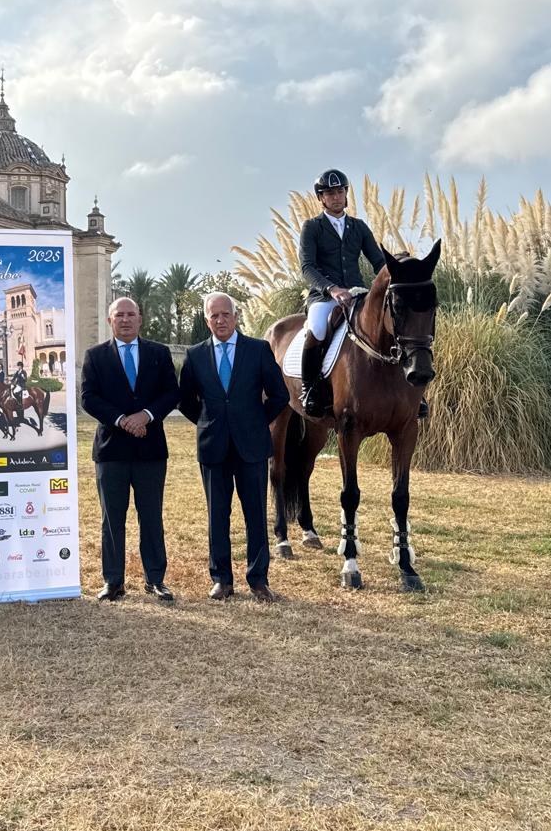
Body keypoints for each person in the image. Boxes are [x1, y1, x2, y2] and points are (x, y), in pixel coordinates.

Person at [178, 292, 288, 602]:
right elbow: (186, 400)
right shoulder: (195, 354)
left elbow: (279, 395)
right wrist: (206, 423)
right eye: (214, 316)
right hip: (213, 447)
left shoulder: (258, 350)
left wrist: (255, 422)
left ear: (236, 316)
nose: (221, 320)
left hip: (251, 447)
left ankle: (258, 580)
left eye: (226, 314)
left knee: (255, 515)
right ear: (206, 320)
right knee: (217, 515)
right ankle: (222, 580)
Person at [79, 296, 181, 602]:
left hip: (150, 450)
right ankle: (113, 580)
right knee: (112, 518)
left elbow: (171, 393)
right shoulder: (95, 356)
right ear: (110, 321)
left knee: (151, 516)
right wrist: (122, 420)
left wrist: (146, 416)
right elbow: (88, 397)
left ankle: (155, 579)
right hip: (111, 451)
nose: (125, 320)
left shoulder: (159, 353)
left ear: (140, 319)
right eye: (119, 315)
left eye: (130, 315)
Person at [296, 168, 391, 419]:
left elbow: (378, 261)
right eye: (330, 193)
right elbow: (307, 266)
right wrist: (331, 288)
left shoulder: (358, 227)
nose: (336, 197)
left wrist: (394, 277)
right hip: (324, 296)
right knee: (317, 328)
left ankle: (410, 391)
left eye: (340, 191)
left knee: (392, 324)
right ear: (321, 198)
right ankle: (310, 389)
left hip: (358, 294)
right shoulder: (312, 227)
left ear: (346, 194)